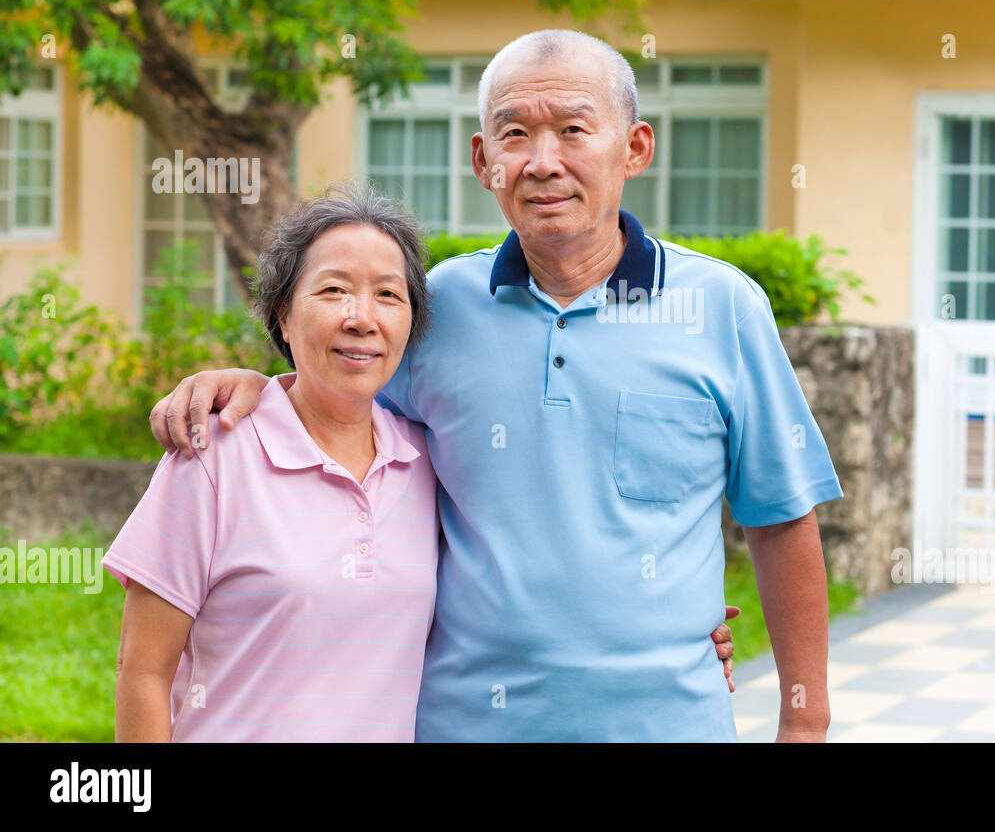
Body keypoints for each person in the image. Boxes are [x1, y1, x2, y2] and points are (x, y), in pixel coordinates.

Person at [150, 29, 840, 742]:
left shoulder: (722, 309)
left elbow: (782, 516)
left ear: (633, 148)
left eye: (574, 130)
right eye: (515, 134)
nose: (543, 163)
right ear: (484, 160)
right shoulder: (438, 308)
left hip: (668, 722)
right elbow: (339, 417)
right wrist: (256, 385)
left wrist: (804, 722)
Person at [107, 183, 738, 741]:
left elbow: (511, 578)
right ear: (283, 313)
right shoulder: (215, 456)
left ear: (413, 324)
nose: (362, 318)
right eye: (332, 291)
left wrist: (672, 624)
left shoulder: (423, 459)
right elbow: (143, 671)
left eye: (389, 295)